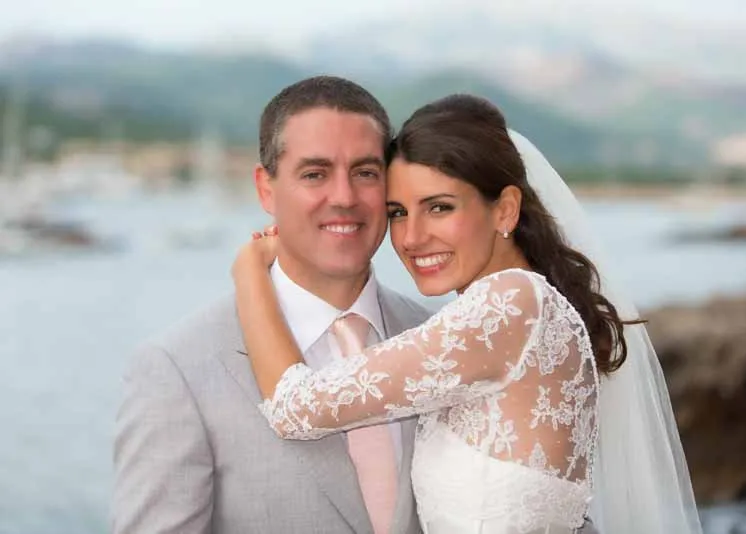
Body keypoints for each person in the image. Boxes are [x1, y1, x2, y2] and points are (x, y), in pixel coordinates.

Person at [233, 94, 704, 533]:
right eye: (398, 213)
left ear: (505, 211)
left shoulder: (509, 305)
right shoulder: (529, 309)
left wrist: (251, 269)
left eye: (439, 207)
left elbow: (295, 408)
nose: (413, 238)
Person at [112, 76, 432, 534]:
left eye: (365, 172)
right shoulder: (176, 369)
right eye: (314, 174)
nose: (343, 197)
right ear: (266, 189)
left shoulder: (441, 335)